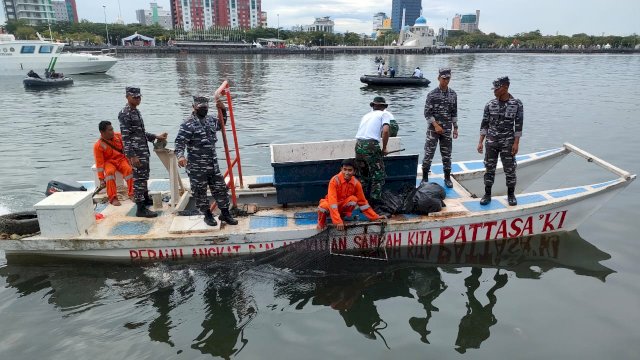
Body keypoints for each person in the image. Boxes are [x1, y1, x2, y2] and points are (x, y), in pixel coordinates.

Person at [174, 96, 238, 227]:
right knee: (200, 192)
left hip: (213, 165)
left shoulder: (210, 120)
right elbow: (179, 143)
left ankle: (225, 213)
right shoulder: (187, 124)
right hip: (197, 167)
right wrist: (180, 156)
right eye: (201, 107)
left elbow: (221, 124)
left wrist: (223, 111)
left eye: (206, 107)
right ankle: (207, 215)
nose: (204, 110)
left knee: (220, 189)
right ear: (194, 107)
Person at [118, 86, 168, 218]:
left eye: (139, 97)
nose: (138, 99)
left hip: (143, 150)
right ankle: (140, 208)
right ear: (127, 97)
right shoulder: (125, 113)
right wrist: (132, 156)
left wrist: (156, 137)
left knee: (144, 176)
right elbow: (126, 137)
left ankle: (145, 199)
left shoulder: (136, 112)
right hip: (136, 152)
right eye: (135, 97)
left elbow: (140, 133)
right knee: (139, 179)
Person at [477, 76, 523, 206]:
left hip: (508, 142)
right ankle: (487, 194)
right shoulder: (490, 104)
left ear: (505, 87)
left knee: (510, 169)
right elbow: (484, 124)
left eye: (497, 88)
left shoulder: (516, 104)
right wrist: (480, 142)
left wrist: (516, 143)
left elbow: (518, 125)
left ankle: (511, 195)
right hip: (491, 142)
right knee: (489, 168)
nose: (494, 91)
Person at [317, 159, 384, 230]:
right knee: (323, 207)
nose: (347, 172)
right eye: (344, 169)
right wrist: (337, 221)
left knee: (353, 200)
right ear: (341, 169)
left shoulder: (356, 183)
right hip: (330, 206)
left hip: (341, 207)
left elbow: (363, 203)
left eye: (350, 170)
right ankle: (321, 224)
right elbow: (332, 202)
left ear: (354, 171)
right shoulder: (334, 181)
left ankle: (342, 217)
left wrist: (375, 217)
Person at [422, 68, 458, 187]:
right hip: (433, 129)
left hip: (447, 129)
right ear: (439, 78)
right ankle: (425, 177)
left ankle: (447, 178)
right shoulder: (432, 94)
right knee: (429, 153)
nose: (446, 81)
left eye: (448, 78)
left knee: (447, 154)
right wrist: (436, 125)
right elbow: (427, 113)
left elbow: (454, 112)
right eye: (444, 78)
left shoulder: (453, 94)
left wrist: (455, 128)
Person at [355, 96, 392, 205]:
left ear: (373, 106)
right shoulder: (384, 114)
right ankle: (375, 203)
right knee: (378, 175)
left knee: (363, 176)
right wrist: (384, 148)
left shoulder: (366, 115)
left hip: (358, 145)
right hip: (371, 145)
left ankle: (361, 201)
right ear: (384, 107)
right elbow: (386, 131)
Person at [93, 120, 134, 206]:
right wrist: (101, 179)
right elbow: (99, 163)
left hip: (121, 159)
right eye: (110, 130)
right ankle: (113, 197)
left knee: (129, 170)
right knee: (109, 173)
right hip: (109, 162)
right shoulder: (98, 145)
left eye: (112, 129)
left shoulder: (118, 136)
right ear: (102, 132)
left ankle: (132, 194)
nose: (112, 131)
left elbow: (129, 142)